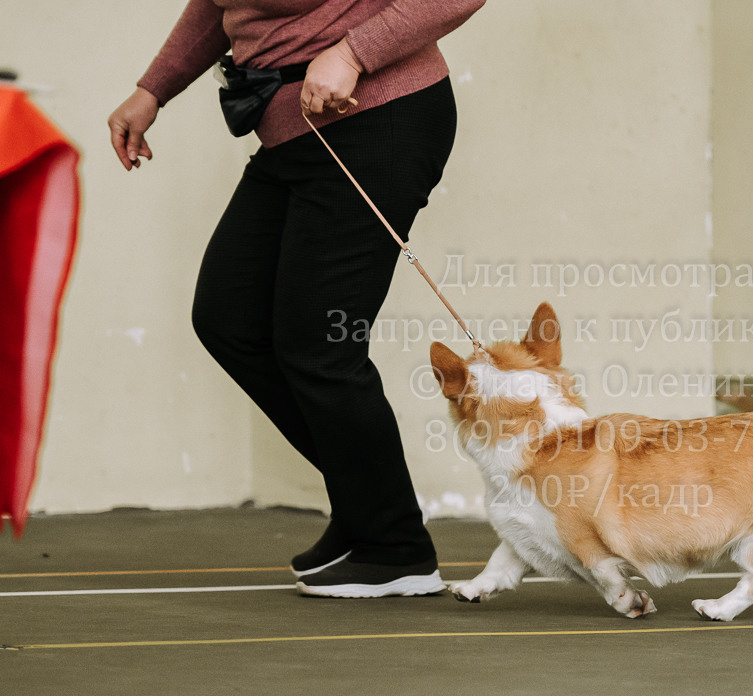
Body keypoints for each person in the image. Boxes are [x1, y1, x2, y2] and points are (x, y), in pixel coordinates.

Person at [107, 0, 486, 597]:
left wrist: (352, 52)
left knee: (319, 346)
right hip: (293, 134)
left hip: (378, 118)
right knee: (230, 317)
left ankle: (394, 547)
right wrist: (153, 90)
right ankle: (371, 512)